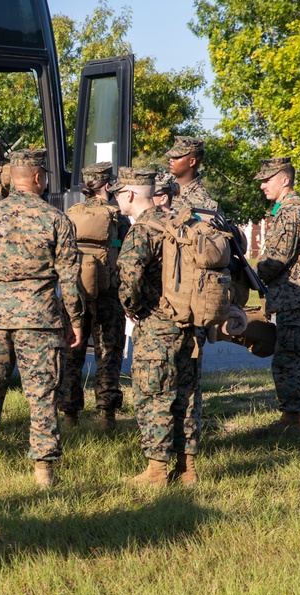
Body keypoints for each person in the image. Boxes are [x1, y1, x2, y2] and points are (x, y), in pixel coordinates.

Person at [0, 148, 83, 488]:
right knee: (41, 393)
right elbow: (71, 278)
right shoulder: (57, 219)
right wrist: (75, 319)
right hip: (40, 318)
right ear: (40, 178)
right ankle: (44, 472)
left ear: (11, 179)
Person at [115, 167, 202, 487]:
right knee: (187, 395)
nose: (117, 198)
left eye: (118, 193)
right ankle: (188, 469)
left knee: (154, 396)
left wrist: (132, 309)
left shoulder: (142, 230)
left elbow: (129, 277)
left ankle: (156, 472)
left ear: (130, 194)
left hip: (157, 326)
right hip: (190, 324)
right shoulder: (181, 222)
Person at [254, 156, 300, 434]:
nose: (262, 185)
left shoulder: (291, 211)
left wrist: (253, 276)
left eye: (267, 179)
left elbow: (277, 258)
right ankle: (299, 417)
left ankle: (294, 421)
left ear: (285, 180)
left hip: (296, 299)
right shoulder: (292, 209)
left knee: (289, 359)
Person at [57, 162, 128, 430]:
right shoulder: (117, 216)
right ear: (107, 185)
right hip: (108, 293)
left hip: (74, 291)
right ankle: (106, 417)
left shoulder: (70, 213)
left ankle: (69, 416)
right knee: (108, 351)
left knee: (71, 352)